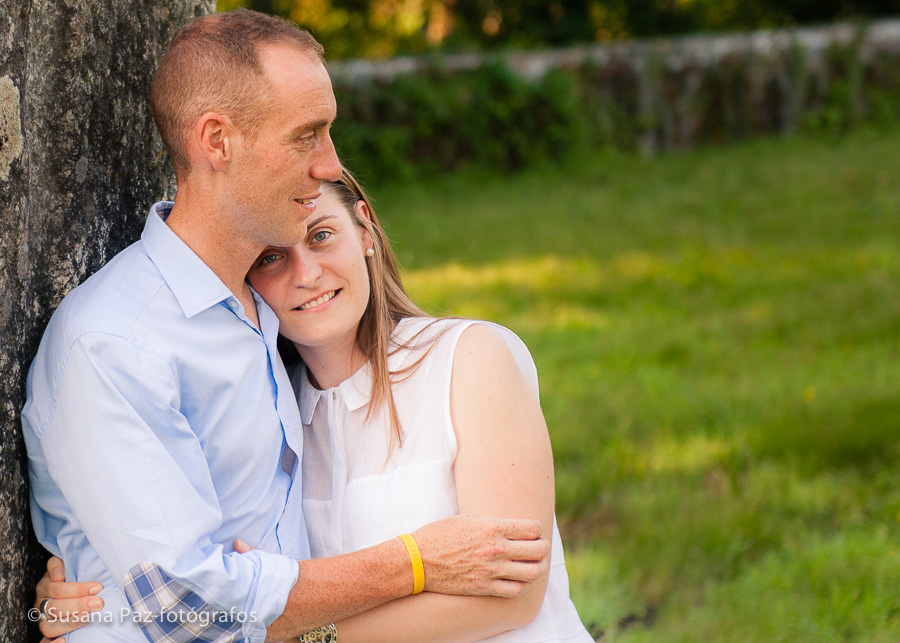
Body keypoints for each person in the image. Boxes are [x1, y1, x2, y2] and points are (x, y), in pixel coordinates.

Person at [23, 10, 550, 643]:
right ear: (217, 141)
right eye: (306, 136)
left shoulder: (271, 324)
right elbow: (187, 605)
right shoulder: (114, 342)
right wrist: (414, 560)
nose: (330, 163)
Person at [38, 168, 594, 642]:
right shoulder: (270, 414)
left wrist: (295, 632)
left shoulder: (468, 358)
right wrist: (103, 601)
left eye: (322, 236)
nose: (306, 275)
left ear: (365, 228)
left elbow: (514, 595)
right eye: (272, 258)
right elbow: (200, 580)